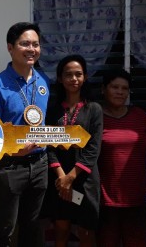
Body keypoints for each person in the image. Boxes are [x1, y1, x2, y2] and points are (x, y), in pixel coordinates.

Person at [0, 21, 50, 247]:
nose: (32, 49)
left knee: (33, 226)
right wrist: (13, 149)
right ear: (10, 48)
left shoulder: (44, 81)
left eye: (36, 44)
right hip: (10, 166)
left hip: (40, 164)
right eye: (25, 44)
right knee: (5, 227)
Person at [97, 69, 146, 247]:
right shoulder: (95, 117)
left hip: (136, 199)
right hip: (105, 200)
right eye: (115, 87)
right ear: (103, 89)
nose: (120, 92)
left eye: (124, 88)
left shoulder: (139, 116)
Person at [43, 54, 103, 247]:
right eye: (68, 74)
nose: (74, 79)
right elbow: (48, 145)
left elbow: (93, 148)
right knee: (61, 230)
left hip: (84, 180)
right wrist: (62, 178)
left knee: (86, 232)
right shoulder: (52, 110)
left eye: (78, 74)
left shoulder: (94, 109)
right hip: (59, 180)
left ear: (85, 77)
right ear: (60, 78)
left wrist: (71, 177)